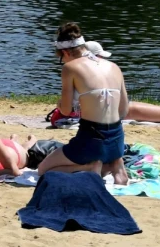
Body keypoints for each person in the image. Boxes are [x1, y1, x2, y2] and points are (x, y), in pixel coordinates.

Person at [37, 23, 130, 185]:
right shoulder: (114, 67)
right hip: (117, 141)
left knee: (43, 170)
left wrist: (60, 104)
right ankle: (115, 164)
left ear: (65, 52)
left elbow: (65, 111)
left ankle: (91, 167)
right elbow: (124, 111)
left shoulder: (70, 68)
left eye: (61, 58)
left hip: (91, 141)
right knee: (105, 146)